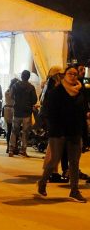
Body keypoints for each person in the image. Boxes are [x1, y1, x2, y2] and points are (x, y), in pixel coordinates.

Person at [37, 65, 88, 203]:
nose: (73, 76)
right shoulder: (56, 92)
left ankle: (74, 190)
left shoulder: (80, 92)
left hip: (74, 132)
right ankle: (42, 182)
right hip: (59, 132)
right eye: (70, 73)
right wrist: (55, 129)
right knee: (54, 160)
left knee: (74, 162)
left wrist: (85, 135)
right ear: (64, 75)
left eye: (75, 74)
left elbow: (82, 114)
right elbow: (49, 113)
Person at [9, 70, 38, 157]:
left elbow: (11, 96)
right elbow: (34, 100)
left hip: (17, 111)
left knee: (14, 131)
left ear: (21, 76)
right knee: (25, 132)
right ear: (28, 77)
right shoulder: (31, 87)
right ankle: (23, 150)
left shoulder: (15, 85)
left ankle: (11, 149)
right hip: (26, 112)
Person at [3, 78, 19, 153]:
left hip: (6, 109)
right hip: (14, 110)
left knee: (9, 130)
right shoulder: (16, 92)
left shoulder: (7, 91)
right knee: (15, 130)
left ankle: (8, 147)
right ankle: (14, 147)